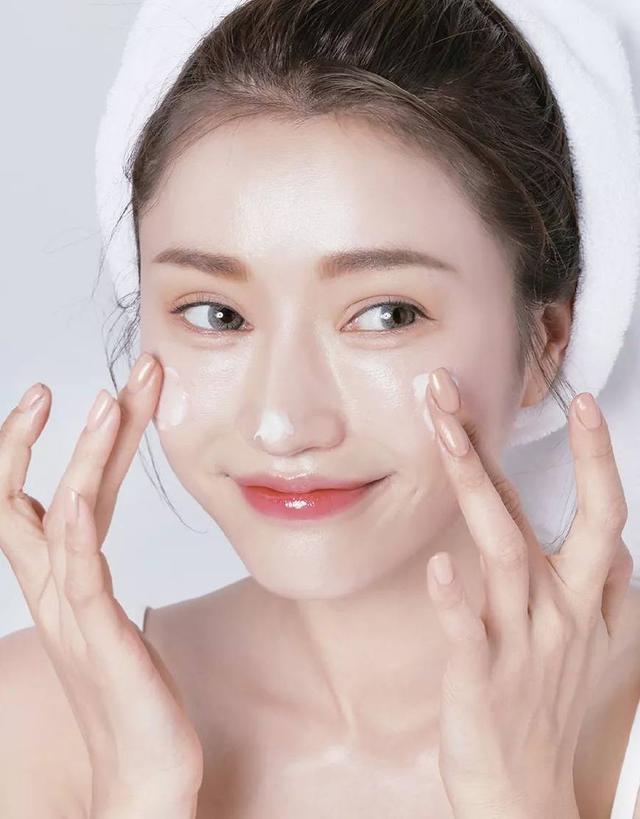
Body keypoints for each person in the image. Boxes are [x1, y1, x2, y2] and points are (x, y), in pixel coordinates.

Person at [1, 0, 639, 817]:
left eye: (386, 314)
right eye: (216, 314)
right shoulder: (31, 727)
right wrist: (138, 791)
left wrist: (519, 799)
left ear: (546, 342)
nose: (284, 422)